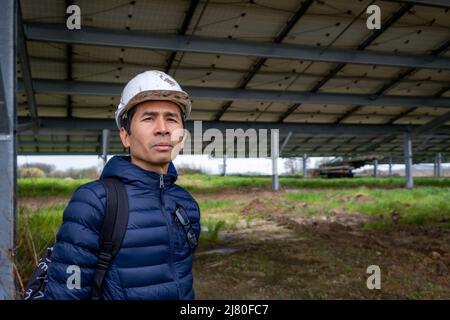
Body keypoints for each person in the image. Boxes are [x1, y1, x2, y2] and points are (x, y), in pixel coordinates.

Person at [43, 70, 201, 300]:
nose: (163, 128)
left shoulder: (186, 203)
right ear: (125, 135)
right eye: (148, 118)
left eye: (171, 118)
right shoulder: (95, 202)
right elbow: (67, 291)